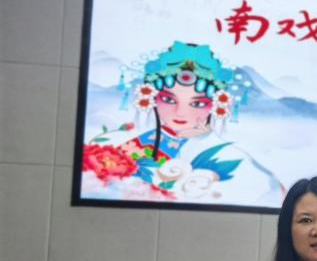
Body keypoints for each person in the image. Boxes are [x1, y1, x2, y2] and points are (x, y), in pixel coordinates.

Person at [80, 41, 283, 205]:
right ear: (151, 98)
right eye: (169, 100)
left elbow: (264, 192)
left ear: (217, 104)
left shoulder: (226, 154)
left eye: (197, 103)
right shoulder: (130, 139)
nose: (180, 112)